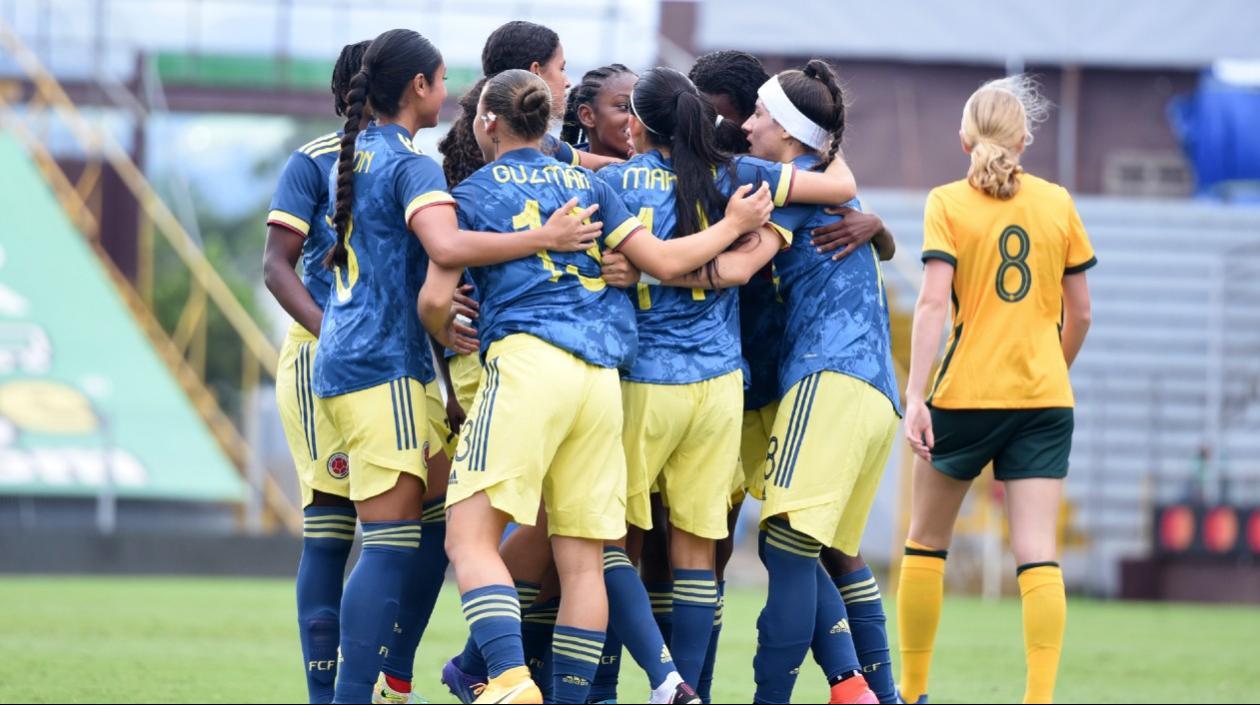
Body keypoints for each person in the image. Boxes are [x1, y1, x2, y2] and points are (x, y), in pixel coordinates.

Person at [419, 68, 774, 705]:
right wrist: (732, 224)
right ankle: (595, 694)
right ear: (550, 120)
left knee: (469, 537)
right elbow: (664, 262)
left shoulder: (470, 192)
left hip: (533, 365)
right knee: (584, 557)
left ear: (488, 123)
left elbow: (435, 299)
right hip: (605, 379)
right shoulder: (589, 183)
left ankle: (506, 678)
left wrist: (446, 327)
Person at [310, 30, 601, 703]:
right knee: (390, 544)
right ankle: (365, 692)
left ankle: (422, 671)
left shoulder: (367, 154)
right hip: (376, 365)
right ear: (420, 88)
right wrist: (546, 236)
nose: (451, 93)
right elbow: (443, 246)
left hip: (374, 363)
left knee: (455, 513)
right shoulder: (411, 164)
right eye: (443, 80)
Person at [645, 60, 899, 704]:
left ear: (786, 132)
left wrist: (649, 269)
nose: (742, 125)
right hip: (868, 386)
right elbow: (844, 188)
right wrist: (881, 227)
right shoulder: (824, 183)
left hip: (826, 376)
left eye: (757, 115)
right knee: (824, 553)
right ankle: (869, 693)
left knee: (784, 549)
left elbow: (734, 266)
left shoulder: (784, 186)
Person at [898, 75, 1095, 705]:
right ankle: (1038, 700)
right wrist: (1050, 369)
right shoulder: (1057, 202)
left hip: (966, 394)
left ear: (964, 139)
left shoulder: (946, 202)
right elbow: (1083, 313)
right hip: (1043, 398)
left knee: (927, 542)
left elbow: (932, 304)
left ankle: (915, 690)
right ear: (1026, 140)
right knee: (1038, 554)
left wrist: (916, 395)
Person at [263, 38, 369, 705]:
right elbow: (276, 265)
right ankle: (324, 692)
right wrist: (335, 334)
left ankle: (380, 681)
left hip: (396, 366)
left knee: (407, 531)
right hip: (323, 359)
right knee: (332, 529)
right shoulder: (311, 163)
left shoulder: (418, 165)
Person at [561, 64, 638, 159]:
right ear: (587, 116)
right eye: (624, 106)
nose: (637, 117)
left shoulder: (657, 169)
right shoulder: (554, 171)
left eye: (640, 108)